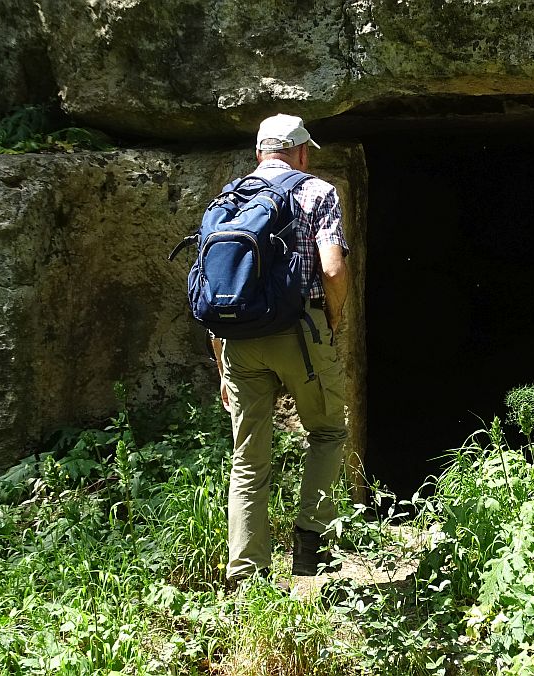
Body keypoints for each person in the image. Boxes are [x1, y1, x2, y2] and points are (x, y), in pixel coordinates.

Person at [210, 113, 350, 582]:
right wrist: (332, 318)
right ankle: (311, 544)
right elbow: (332, 270)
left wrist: (220, 361)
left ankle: (246, 574)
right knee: (328, 432)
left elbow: (215, 288)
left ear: (258, 154)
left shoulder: (228, 198)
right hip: (299, 330)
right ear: (302, 153)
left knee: (248, 458)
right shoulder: (317, 192)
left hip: (237, 340)